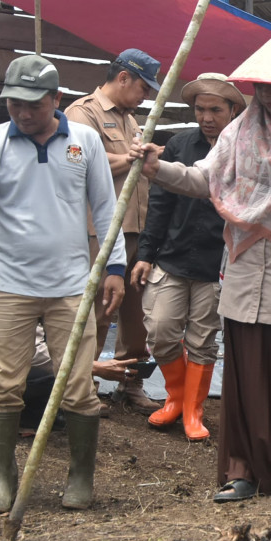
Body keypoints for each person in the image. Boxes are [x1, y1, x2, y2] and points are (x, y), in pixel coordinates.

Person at [130, 24, 271, 503]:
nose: (269, 92)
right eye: (261, 83)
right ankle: (247, 470)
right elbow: (203, 179)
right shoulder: (240, 129)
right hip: (243, 271)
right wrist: (159, 169)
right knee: (249, 376)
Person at [0, 54, 127, 513]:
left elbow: (106, 207)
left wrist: (114, 268)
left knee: (76, 387)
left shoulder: (86, 141)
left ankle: (79, 475)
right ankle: (2, 476)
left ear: (56, 99)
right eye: (15, 103)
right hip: (10, 284)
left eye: (34, 104)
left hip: (72, 285)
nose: (23, 112)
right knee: (3, 386)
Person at [132, 74, 241, 441]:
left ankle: (193, 410)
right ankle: (175, 399)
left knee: (203, 340)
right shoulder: (179, 144)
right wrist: (146, 254)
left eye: (215, 109)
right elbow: (160, 203)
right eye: (200, 109)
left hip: (217, 263)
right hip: (173, 256)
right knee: (160, 330)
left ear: (232, 110)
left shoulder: (242, 147)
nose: (207, 116)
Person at [0, 270, 143, 434]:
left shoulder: (27, 275)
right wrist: (93, 367)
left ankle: (25, 414)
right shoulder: (14, 285)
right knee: (54, 374)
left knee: (55, 376)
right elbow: (34, 353)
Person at [66, 48, 162, 412]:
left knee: (136, 317)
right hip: (100, 232)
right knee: (98, 309)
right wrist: (130, 158)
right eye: (142, 88)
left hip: (136, 230)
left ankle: (130, 382)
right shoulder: (82, 112)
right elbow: (76, 161)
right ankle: (82, 383)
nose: (145, 96)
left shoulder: (131, 120)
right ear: (123, 77)